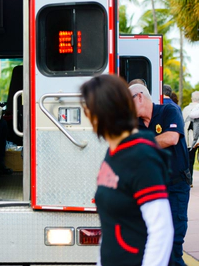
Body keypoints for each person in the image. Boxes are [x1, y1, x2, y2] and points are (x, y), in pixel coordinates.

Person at [80, 75, 173, 266]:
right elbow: (111, 225)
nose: (87, 118)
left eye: (88, 111)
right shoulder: (113, 152)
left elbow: (161, 230)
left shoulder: (141, 156)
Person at [129, 83, 191, 266]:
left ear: (139, 97)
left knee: (172, 248)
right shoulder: (135, 124)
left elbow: (171, 137)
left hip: (175, 188)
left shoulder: (169, 110)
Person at [183, 91, 199, 183]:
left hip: (190, 139)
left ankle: (190, 180)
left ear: (192, 99)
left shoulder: (186, 109)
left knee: (190, 160)